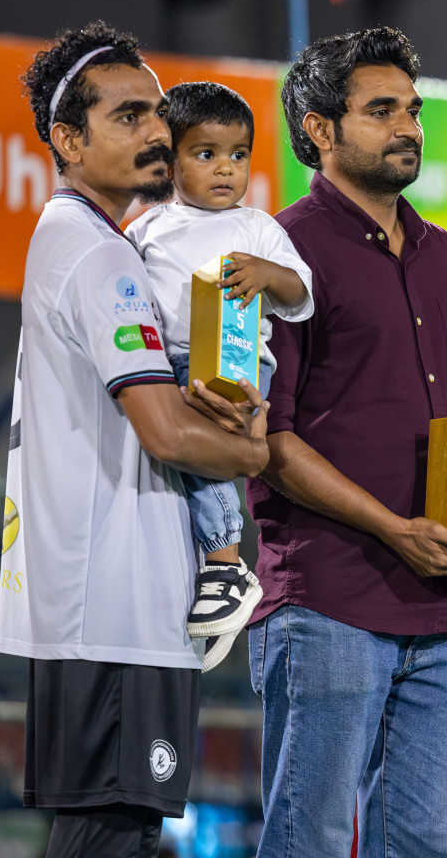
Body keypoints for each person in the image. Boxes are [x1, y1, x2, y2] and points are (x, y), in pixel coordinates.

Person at [245, 26, 447, 858]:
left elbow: (443, 406)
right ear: (320, 130)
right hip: (328, 597)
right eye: (381, 110)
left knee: (430, 846)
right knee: (310, 842)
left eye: (413, 109)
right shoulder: (276, 249)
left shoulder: (443, 252)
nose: (409, 126)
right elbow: (271, 442)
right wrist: (395, 530)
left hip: (446, 607)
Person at [0, 21, 268, 858]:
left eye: (158, 113)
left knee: (116, 836)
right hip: (112, 611)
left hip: (97, 607)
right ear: (67, 139)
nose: (158, 133)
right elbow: (164, 430)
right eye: (127, 118)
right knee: (110, 838)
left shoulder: (81, 241)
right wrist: (259, 451)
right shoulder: (98, 257)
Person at [127, 81, 314, 670]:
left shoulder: (257, 229)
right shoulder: (147, 229)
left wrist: (266, 274)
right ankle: (212, 568)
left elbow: (302, 294)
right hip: (167, 362)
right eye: (206, 154)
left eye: (238, 155)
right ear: (169, 162)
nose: (226, 170)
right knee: (171, 448)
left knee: (196, 441)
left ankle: (226, 561)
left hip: (236, 363)